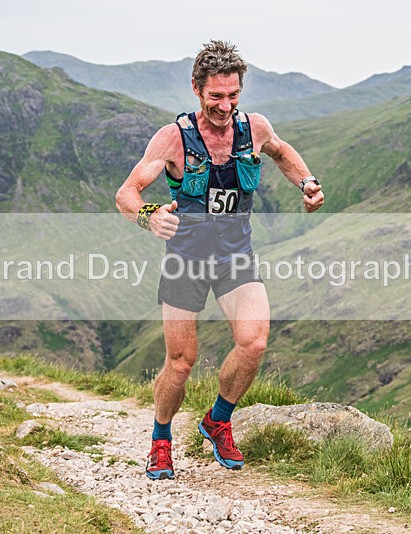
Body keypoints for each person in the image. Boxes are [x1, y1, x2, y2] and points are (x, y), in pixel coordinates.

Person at [116, 40, 324, 480]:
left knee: (254, 342)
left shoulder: (255, 128)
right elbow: (127, 193)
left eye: (233, 96)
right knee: (181, 362)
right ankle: (160, 439)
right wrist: (150, 216)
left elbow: (283, 153)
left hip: (235, 256)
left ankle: (218, 420)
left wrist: (307, 182)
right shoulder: (174, 138)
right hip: (186, 260)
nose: (225, 106)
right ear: (196, 89)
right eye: (215, 97)